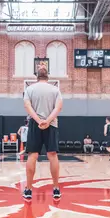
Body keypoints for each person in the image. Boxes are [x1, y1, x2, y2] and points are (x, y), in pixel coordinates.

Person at [23, 67, 63, 201]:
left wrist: (39, 120)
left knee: (32, 155)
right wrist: (47, 121)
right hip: (51, 124)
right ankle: (56, 189)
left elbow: (27, 106)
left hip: (35, 124)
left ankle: (28, 189)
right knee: (52, 155)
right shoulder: (55, 90)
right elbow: (58, 108)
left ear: (37, 76)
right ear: (48, 76)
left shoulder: (29, 89)